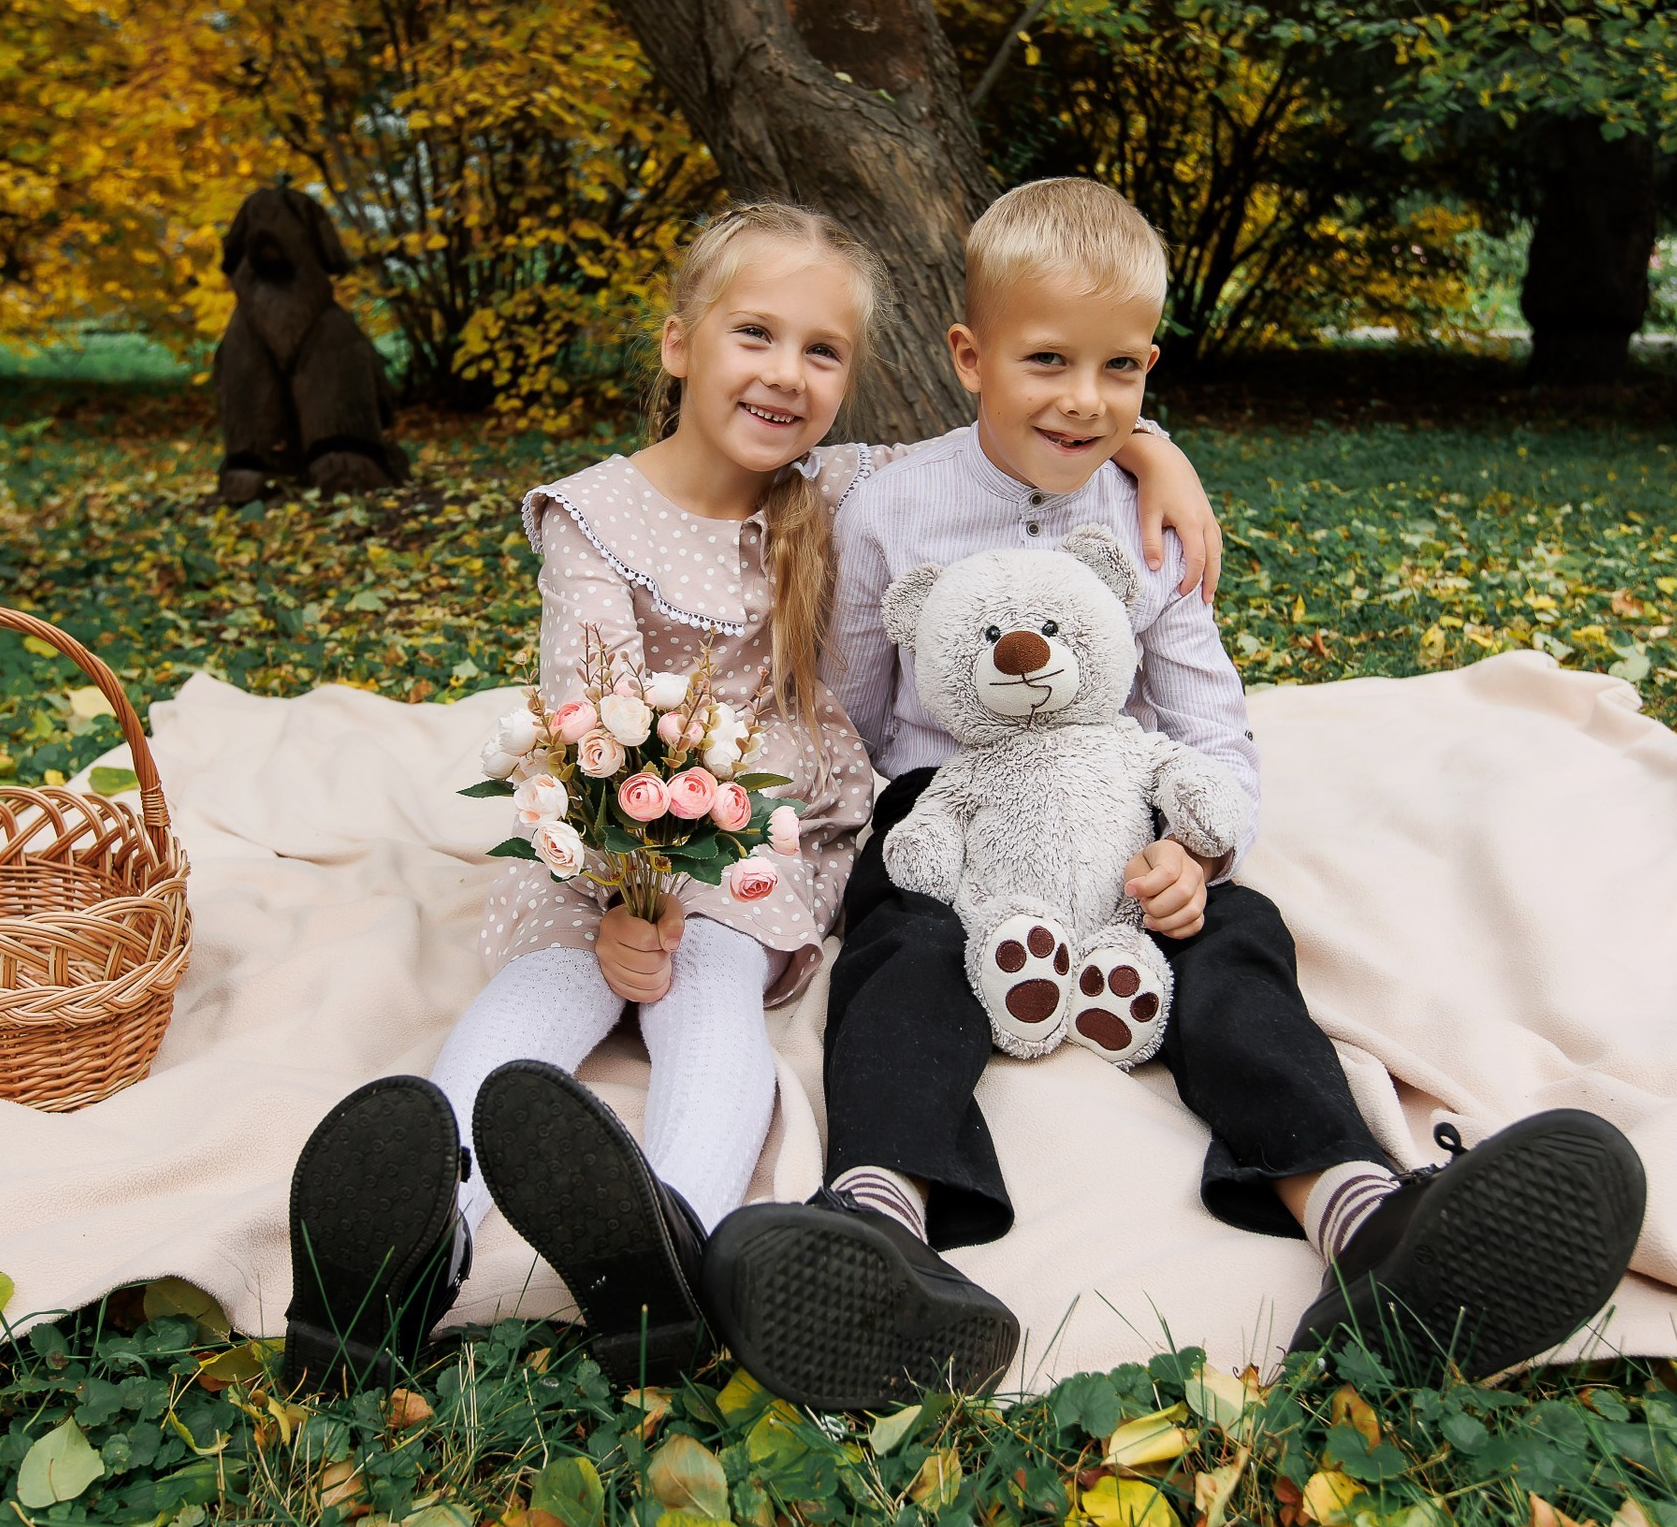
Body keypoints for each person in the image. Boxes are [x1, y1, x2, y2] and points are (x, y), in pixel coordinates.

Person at [697, 178, 1650, 1410]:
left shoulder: (1145, 516)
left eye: (1122, 371)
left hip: (1120, 806)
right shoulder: (888, 509)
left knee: (1237, 946)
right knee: (900, 954)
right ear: (968, 356)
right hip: (955, 811)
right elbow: (849, 714)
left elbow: (1209, 724)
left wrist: (1197, 851)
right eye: (1046, 361)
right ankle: (881, 1227)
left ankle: (1364, 1222)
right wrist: (885, 837)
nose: (1085, 402)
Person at [281, 200, 1228, 1386]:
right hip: (604, 828)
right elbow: (587, 720)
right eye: (756, 337)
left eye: (821, 352)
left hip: (756, 834)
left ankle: (664, 1257)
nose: (786, 376)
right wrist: (628, 897)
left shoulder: (829, 486)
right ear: (680, 342)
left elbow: (1026, 436)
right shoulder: (593, 516)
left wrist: (1151, 447)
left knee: (712, 992)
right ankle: (404, 1263)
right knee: (548, 985)